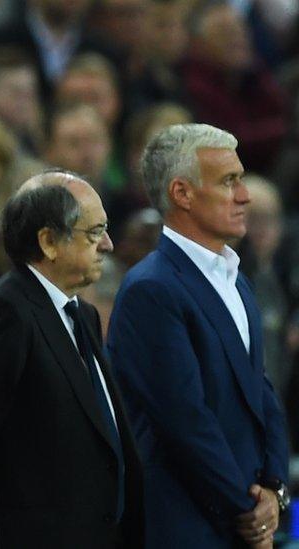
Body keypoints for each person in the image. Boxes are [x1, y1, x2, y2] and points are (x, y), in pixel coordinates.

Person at [107, 124, 289, 548]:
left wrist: (275, 489)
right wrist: (249, 513)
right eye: (229, 181)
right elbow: (183, 420)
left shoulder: (237, 280)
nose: (244, 195)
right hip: (186, 527)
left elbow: (261, 392)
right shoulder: (151, 289)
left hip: (241, 522)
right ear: (182, 193)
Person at [0, 170, 144, 548]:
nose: (109, 245)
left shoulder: (84, 314)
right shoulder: (6, 311)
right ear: (49, 241)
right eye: (95, 232)